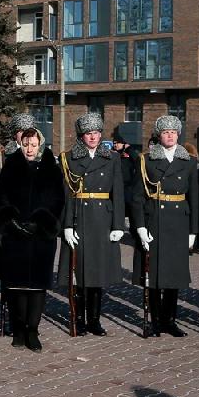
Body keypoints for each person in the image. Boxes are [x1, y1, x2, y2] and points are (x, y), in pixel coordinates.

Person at [0, 128, 64, 352]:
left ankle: (33, 330)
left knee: (37, 286)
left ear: (40, 144)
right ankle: (19, 328)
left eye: (33, 144)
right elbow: (0, 196)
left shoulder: (51, 167)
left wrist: (41, 222)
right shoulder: (11, 165)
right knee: (17, 286)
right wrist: (10, 220)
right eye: (25, 144)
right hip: (15, 235)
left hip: (41, 236)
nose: (29, 149)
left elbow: (57, 200)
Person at [58, 114, 125, 337]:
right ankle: (78, 318)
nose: (93, 137)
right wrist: (66, 226)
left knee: (97, 274)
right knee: (79, 273)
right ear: (81, 136)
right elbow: (65, 195)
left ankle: (94, 319)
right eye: (88, 133)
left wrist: (118, 225)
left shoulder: (112, 158)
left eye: (96, 133)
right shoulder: (68, 158)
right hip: (79, 218)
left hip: (103, 220)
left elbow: (118, 192)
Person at [132, 115, 199, 337]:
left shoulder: (189, 162)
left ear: (178, 135)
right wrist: (140, 226)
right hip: (155, 220)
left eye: (173, 132)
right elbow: (138, 197)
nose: (170, 135)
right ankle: (155, 321)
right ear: (158, 136)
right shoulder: (146, 160)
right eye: (165, 132)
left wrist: (193, 231)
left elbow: (195, 198)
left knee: (173, 275)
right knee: (153, 275)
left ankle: (170, 320)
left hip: (179, 221)